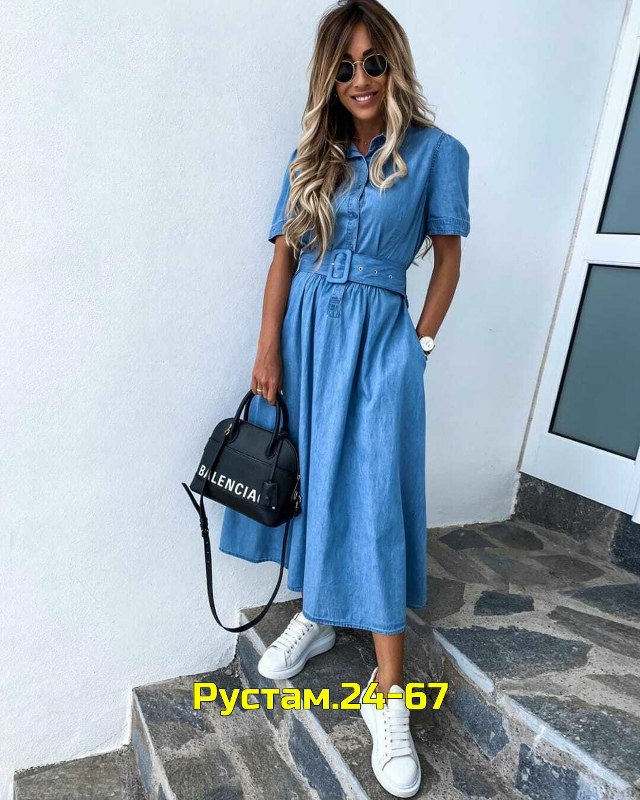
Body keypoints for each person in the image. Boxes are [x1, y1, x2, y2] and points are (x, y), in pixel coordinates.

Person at [218, 0, 470, 795]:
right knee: (313, 480)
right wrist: (267, 349)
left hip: (379, 345)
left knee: (374, 496)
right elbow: (283, 260)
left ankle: (388, 695)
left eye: (373, 63)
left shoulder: (437, 153)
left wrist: (418, 349)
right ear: (328, 78)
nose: (360, 79)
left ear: (395, 65)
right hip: (304, 338)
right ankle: (320, 612)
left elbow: (449, 261)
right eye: (344, 67)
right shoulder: (311, 157)